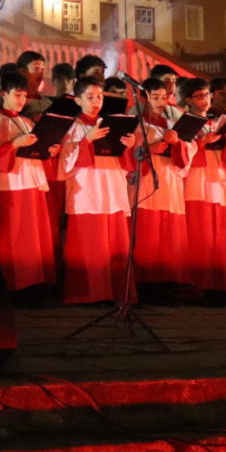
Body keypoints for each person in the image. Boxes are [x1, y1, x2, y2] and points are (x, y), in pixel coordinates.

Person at [59, 76, 140, 303]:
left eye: (100, 96)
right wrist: (86, 140)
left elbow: (126, 163)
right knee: (90, 245)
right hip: (86, 190)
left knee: (115, 244)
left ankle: (116, 292)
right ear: (77, 100)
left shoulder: (110, 123)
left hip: (112, 187)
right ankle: (89, 294)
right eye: (90, 97)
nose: (96, 101)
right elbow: (64, 160)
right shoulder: (71, 127)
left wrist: (128, 145)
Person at [0, 68, 57, 290]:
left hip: (31, 182)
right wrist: (15, 144)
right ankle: (12, 285)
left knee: (32, 238)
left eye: (25, 95)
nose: (22, 100)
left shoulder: (27, 121)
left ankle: (34, 283)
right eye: (17, 94)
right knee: (13, 238)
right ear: (3, 94)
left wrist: (48, 150)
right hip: (9, 185)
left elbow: (37, 152)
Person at [179, 78, 226, 294]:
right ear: (188, 99)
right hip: (196, 180)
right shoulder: (185, 122)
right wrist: (201, 143)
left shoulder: (215, 122)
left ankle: (223, 285)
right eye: (199, 96)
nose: (205, 100)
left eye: (207, 95)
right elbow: (180, 154)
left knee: (220, 232)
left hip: (216, 178)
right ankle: (200, 285)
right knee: (201, 233)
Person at [133, 77, 192, 285]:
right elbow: (130, 155)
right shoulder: (137, 124)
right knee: (150, 232)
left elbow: (185, 158)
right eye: (155, 97)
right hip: (149, 182)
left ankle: (171, 281)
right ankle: (148, 282)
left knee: (170, 233)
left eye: (163, 97)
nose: (160, 102)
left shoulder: (171, 123)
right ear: (143, 97)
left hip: (170, 180)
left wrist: (177, 144)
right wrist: (151, 150)